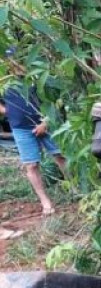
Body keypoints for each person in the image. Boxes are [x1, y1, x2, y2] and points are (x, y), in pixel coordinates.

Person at [0, 48, 66, 215]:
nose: (13, 63)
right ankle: (45, 202)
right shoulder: (4, 81)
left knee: (60, 155)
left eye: (16, 59)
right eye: (9, 60)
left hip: (46, 123)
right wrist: (7, 111)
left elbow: (55, 100)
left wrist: (45, 122)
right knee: (31, 164)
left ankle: (76, 188)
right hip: (20, 128)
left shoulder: (37, 76)